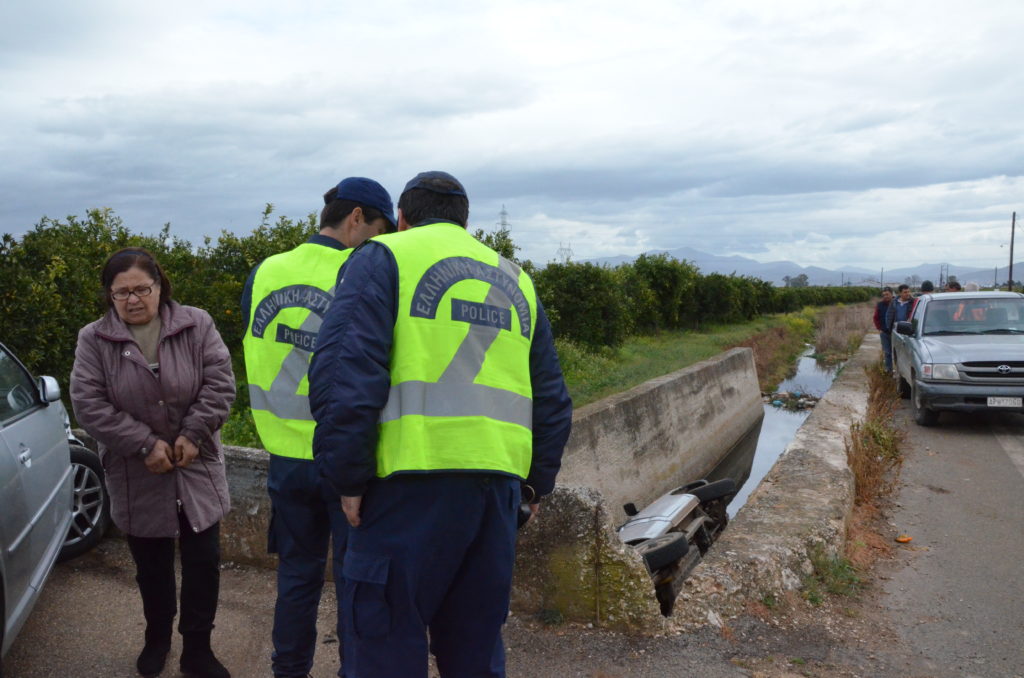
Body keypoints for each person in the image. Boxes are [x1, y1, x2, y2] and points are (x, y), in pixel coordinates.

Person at [309, 171, 573, 678]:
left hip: (406, 488)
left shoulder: (384, 257)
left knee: (385, 646)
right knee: (475, 650)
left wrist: (347, 476)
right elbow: (552, 397)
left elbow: (344, 373)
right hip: (495, 494)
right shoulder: (516, 278)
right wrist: (535, 485)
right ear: (465, 221)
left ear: (403, 218)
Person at [241, 177, 396, 678]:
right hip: (343, 456)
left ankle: (288, 671)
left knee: (297, 579)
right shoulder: (365, 272)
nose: (379, 242)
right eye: (377, 229)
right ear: (356, 218)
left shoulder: (265, 272)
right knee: (356, 583)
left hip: (285, 458)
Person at [70, 248, 235, 678]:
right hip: (136, 472)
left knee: (203, 563)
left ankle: (198, 649)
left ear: (159, 286)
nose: (132, 299)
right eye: (120, 292)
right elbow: (88, 404)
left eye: (141, 288)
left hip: (195, 464)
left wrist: (193, 433)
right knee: (152, 568)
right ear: (110, 296)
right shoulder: (94, 339)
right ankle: (156, 640)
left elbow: (220, 383)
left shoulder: (196, 324)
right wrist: (145, 444)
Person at [873, 287, 894, 372]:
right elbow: (875, 317)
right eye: (884, 295)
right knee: (887, 352)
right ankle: (889, 370)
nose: (885, 296)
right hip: (884, 333)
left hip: (895, 333)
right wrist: (879, 328)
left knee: (897, 353)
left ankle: (898, 371)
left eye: (887, 294)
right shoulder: (880, 305)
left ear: (892, 294)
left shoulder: (896, 303)